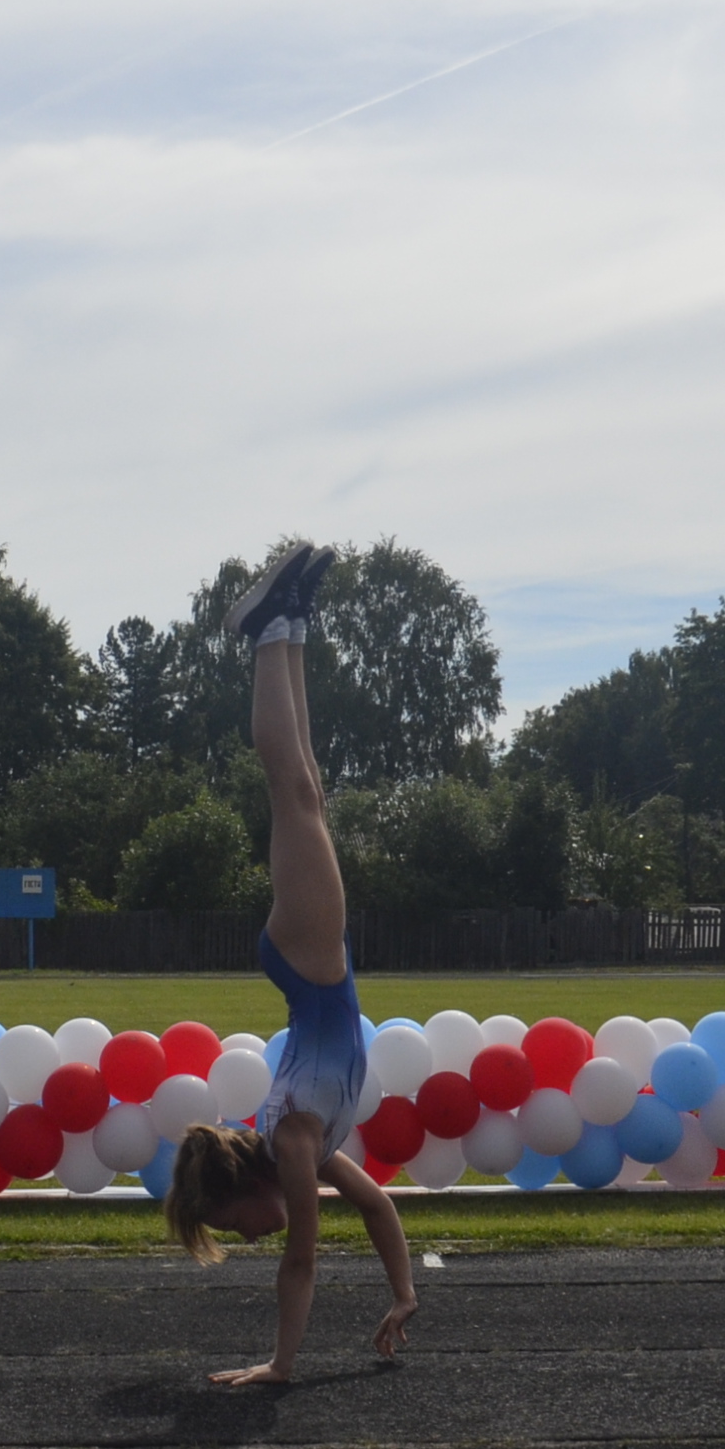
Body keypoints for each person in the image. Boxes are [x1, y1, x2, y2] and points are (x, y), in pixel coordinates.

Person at [163, 542, 421, 1385]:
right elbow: (379, 1207)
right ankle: (291, 624)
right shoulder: (303, 1146)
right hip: (315, 968)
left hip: (311, 971)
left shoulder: (295, 1143)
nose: (255, 1238)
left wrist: (278, 1367)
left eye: (236, 1230)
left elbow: (301, 1263)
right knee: (304, 784)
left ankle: (265, 630)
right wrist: (403, 1292)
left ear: (242, 1191)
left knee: (293, 789)